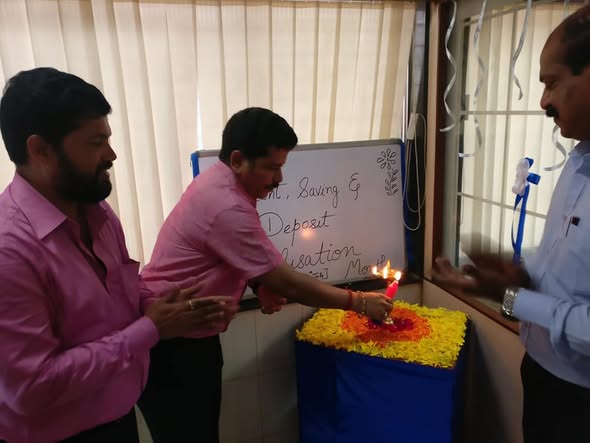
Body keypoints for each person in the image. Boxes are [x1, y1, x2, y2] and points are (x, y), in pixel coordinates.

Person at [0, 68, 237, 443]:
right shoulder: (10, 250)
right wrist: (150, 329)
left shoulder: (96, 211)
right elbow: (32, 387)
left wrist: (165, 304)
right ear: (40, 150)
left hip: (116, 416)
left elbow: (117, 293)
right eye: (96, 142)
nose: (111, 155)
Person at [137, 106, 393, 442]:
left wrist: (258, 282)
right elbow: (288, 282)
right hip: (174, 344)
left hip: (185, 334)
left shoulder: (220, 182)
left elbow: (225, 252)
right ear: (238, 159)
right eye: (272, 168)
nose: (278, 179)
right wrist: (359, 302)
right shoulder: (226, 205)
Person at [434, 5, 590, 443]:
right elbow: (566, 265)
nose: (543, 102)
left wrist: (510, 297)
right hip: (543, 376)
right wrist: (517, 274)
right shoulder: (579, 160)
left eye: (552, 82)